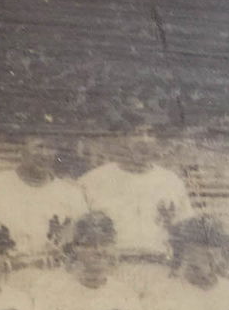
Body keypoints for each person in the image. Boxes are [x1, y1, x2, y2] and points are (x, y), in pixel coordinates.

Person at [78, 107, 192, 286]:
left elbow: (185, 233)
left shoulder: (171, 181)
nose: (145, 141)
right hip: (111, 272)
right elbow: (78, 237)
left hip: (160, 271)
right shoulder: (93, 181)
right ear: (120, 138)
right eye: (137, 133)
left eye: (150, 133)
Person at [0, 136, 84, 294]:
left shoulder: (71, 194)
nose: (44, 154)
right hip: (5, 279)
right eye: (38, 147)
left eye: (49, 147)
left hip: (54, 281)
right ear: (21, 149)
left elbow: (80, 245)